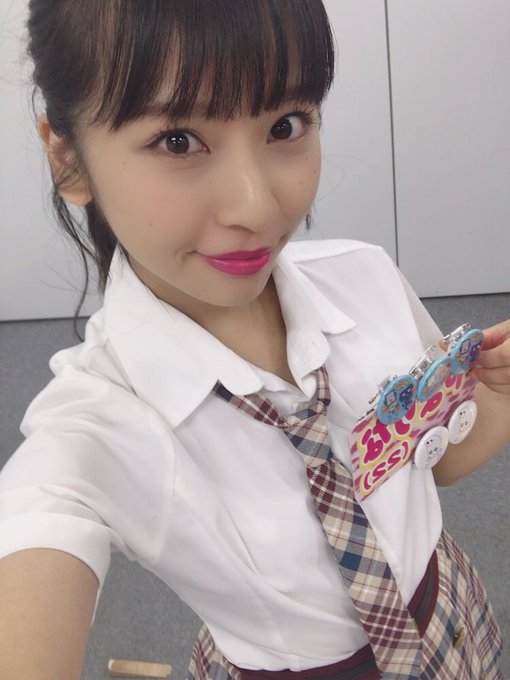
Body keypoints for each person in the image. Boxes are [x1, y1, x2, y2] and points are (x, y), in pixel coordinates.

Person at [0, 2, 509, 678]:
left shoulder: (366, 279)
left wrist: (497, 393)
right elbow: (39, 534)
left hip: (450, 620)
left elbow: (433, 462)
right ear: (69, 161)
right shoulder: (95, 428)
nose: (257, 206)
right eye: (177, 140)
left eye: (285, 125)